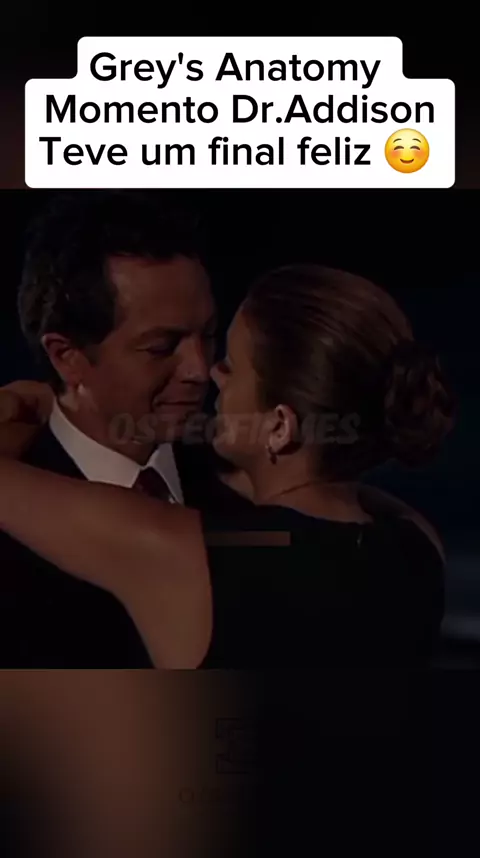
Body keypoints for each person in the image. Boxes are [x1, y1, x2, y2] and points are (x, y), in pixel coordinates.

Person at [0, 264, 456, 669]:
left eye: (233, 368)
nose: (208, 373)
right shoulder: (418, 545)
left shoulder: (180, 553)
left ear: (280, 425)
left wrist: (24, 410)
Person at [0, 190, 248, 669]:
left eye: (208, 335)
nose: (200, 369)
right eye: (160, 347)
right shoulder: (10, 531)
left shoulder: (247, 491)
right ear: (67, 357)